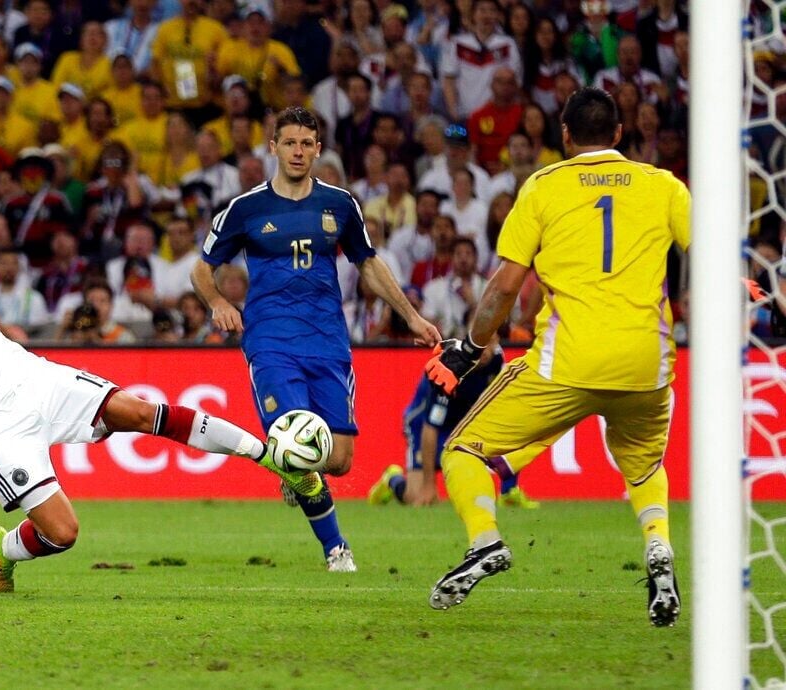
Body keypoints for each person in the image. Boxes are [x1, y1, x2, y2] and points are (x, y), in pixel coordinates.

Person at [0, 196, 322, 593]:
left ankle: (273, 459)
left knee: (143, 412)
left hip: (37, 378)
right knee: (62, 533)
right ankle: (3, 548)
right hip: (0, 423)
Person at [423, 87, 689, 627]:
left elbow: (503, 288)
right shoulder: (664, 186)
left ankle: (485, 543)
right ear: (619, 134)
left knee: (463, 450)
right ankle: (658, 548)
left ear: (564, 137)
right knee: (643, 467)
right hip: (647, 361)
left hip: (564, 363)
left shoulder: (542, 186)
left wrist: (470, 348)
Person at [191, 107, 441, 571]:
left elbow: (368, 262)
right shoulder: (245, 209)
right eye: (290, 143)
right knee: (297, 446)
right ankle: (336, 548)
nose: (298, 151)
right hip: (271, 343)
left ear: (319, 149)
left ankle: (293, 469)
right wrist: (218, 303)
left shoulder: (340, 204)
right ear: (274, 147)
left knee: (340, 460)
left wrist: (409, 315)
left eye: (307, 143)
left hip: (328, 341)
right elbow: (202, 268)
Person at [368, 350, 542, 509]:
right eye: (485, 342)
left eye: (493, 341)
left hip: (460, 423)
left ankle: (508, 492)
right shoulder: (451, 365)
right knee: (415, 497)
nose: (487, 350)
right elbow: (431, 425)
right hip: (423, 424)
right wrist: (429, 485)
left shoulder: (496, 360)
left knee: (512, 423)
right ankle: (392, 478)